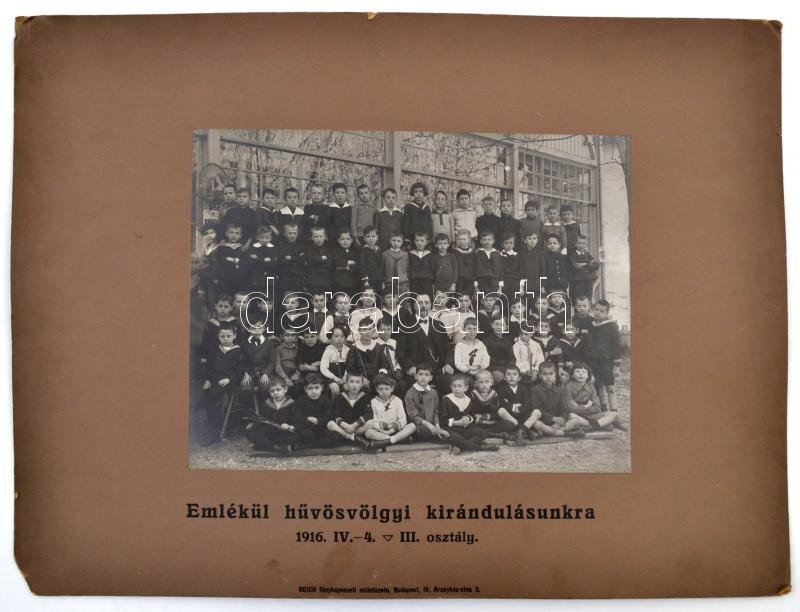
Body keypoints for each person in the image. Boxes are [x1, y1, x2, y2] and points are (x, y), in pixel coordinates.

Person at [199, 325, 245, 445]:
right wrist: (208, 380)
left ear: (234, 336)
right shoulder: (215, 350)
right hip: (215, 381)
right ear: (218, 337)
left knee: (212, 396)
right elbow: (209, 367)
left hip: (229, 382)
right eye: (222, 336)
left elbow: (240, 371)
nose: (225, 338)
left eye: (228, 336)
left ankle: (216, 431)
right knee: (204, 396)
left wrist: (229, 379)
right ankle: (214, 426)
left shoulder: (239, 351)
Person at [561, 361, 627, 431]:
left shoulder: (590, 387)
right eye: (577, 372)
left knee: (614, 414)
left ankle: (591, 427)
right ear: (572, 375)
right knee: (571, 415)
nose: (580, 374)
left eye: (583, 372)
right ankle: (598, 425)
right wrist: (586, 406)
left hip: (592, 416)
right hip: (578, 417)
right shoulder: (568, 387)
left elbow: (597, 408)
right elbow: (571, 409)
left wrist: (579, 407)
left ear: (587, 376)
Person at [441, 374, 499, 452]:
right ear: (451, 387)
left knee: (482, 433)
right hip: (452, 428)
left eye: (459, 386)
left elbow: (472, 415)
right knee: (455, 437)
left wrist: (468, 418)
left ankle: (461, 446)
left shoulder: (468, 399)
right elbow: (443, 420)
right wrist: (455, 422)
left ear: (466, 388)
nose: (457, 389)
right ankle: (481, 448)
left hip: (465, 428)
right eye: (454, 386)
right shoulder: (447, 399)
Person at [243, 378, 303, 454]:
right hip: (270, 432)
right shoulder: (267, 404)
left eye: (278, 389)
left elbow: (299, 422)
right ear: (269, 392)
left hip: (285, 433)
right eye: (272, 391)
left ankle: (266, 445)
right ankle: (277, 448)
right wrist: (254, 424)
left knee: (297, 436)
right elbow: (262, 420)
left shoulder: (292, 404)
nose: (275, 393)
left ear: (285, 389)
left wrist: (289, 426)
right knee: (250, 432)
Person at [526, 361, 585, 437]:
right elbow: (536, 408)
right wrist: (552, 418)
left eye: (551, 374)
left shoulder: (559, 391)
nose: (548, 376)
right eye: (545, 374)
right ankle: (567, 434)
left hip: (556, 422)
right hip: (543, 420)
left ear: (555, 375)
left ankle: (548, 432)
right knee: (536, 424)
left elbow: (565, 410)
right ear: (540, 375)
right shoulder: (535, 390)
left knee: (575, 422)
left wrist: (558, 422)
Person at [583, 299, 622, 412]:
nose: (598, 312)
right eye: (596, 309)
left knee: (610, 387)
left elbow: (617, 346)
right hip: (594, 361)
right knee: (598, 384)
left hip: (607, 361)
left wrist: (616, 366)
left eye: (601, 311)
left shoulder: (612, 326)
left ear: (607, 313)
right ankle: (603, 408)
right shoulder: (591, 325)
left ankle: (614, 411)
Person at [363, 375, 416, 449]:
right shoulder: (373, 401)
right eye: (380, 389)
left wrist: (391, 430)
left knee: (412, 426)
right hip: (381, 431)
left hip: (396, 429)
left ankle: (387, 440)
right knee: (368, 433)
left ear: (392, 389)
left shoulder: (397, 400)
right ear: (376, 389)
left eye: (387, 389)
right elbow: (374, 420)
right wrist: (382, 430)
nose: (384, 392)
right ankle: (398, 439)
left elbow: (402, 419)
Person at [294, 373, 341, 448]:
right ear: (305, 389)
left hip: (321, 428)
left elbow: (329, 417)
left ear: (322, 387)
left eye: (316, 388)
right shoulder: (301, 401)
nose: (314, 391)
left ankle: (310, 446)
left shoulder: (326, 401)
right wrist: (307, 420)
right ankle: (314, 444)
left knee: (336, 435)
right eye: (310, 388)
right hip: (306, 427)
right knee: (305, 434)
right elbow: (298, 417)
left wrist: (318, 421)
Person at [328, 372, 372, 446]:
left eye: (357, 382)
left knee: (371, 423)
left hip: (357, 427)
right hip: (344, 427)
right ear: (346, 384)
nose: (354, 385)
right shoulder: (340, 397)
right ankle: (351, 436)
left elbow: (369, 413)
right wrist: (345, 425)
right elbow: (335, 414)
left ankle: (349, 436)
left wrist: (354, 425)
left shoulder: (365, 397)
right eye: (351, 382)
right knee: (330, 424)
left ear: (361, 385)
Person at [495, 364, 534, 443]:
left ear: (519, 378)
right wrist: (513, 407)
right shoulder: (501, 388)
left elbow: (527, 403)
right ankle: (523, 429)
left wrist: (519, 409)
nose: (511, 377)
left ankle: (521, 431)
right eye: (508, 374)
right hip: (510, 415)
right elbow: (502, 402)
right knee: (501, 410)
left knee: (535, 412)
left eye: (514, 374)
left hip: (522, 414)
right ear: (504, 378)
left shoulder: (523, 388)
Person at [200, 294, 239, 370]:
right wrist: (203, 357)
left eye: (226, 307)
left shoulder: (235, 323)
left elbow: (238, 340)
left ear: (231, 308)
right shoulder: (210, 324)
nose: (223, 309)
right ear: (215, 306)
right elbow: (205, 342)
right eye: (220, 306)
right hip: (212, 356)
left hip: (230, 356)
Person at [216, 223, 251, 296]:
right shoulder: (222, 247)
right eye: (231, 232)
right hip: (225, 279)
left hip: (239, 279)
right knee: (225, 296)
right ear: (226, 234)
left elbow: (246, 262)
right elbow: (219, 262)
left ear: (241, 236)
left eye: (237, 233)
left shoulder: (243, 248)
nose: (234, 235)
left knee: (238, 296)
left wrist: (235, 261)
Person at [195, 222, 222, 311]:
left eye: (212, 233)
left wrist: (203, 272)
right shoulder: (208, 247)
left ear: (217, 233)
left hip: (214, 278)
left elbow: (217, 266)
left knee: (213, 300)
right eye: (207, 233)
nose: (209, 235)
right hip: (205, 277)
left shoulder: (220, 247)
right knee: (204, 299)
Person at [276, 222, 305, 301]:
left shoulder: (301, 245)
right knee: (284, 299)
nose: (292, 235)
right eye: (289, 233)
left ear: (298, 233)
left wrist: (290, 258)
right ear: (284, 233)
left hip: (297, 277)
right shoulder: (280, 245)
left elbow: (303, 260)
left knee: (297, 299)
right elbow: (280, 261)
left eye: (294, 233)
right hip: (284, 276)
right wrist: (296, 259)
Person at [319, 326, 350, 397]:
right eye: (336, 336)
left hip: (345, 377)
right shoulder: (328, 350)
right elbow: (323, 368)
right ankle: (334, 403)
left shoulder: (348, 350)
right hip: (331, 377)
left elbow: (349, 365)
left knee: (348, 388)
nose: (339, 339)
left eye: (342, 336)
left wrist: (346, 376)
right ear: (330, 338)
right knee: (335, 389)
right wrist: (334, 378)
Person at [568, 235, 600, 300]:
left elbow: (596, 265)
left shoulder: (588, 255)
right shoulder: (573, 255)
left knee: (588, 298)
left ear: (586, 245)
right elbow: (576, 266)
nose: (581, 245)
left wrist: (584, 264)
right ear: (575, 244)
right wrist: (589, 265)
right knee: (579, 298)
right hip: (578, 281)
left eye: (583, 243)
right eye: (579, 243)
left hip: (589, 280)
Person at [248, 224, 278, 293]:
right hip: (257, 276)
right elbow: (252, 261)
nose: (264, 240)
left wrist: (258, 259)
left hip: (270, 275)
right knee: (256, 293)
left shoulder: (272, 248)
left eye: (267, 237)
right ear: (257, 237)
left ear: (271, 238)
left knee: (269, 293)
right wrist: (265, 259)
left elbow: (274, 262)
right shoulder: (253, 247)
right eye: (262, 237)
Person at [484, 317, 515, 383]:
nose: (499, 327)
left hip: (507, 367)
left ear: (506, 327)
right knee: (500, 377)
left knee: (514, 375)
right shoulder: (487, 340)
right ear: (492, 325)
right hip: (494, 368)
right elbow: (486, 359)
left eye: (502, 325)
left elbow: (512, 357)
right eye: (496, 324)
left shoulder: (508, 340)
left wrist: (509, 368)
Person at [304, 226, 332, 296]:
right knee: (312, 298)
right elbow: (309, 260)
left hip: (325, 281)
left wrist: (315, 260)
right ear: (312, 237)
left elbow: (329, 263)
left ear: (325, 237)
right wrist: (322, 258)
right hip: (312, 281)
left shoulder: (328, 249)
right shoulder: (309, 249)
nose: (318, 239)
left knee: (326, 299)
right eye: (316, 236)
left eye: (321, 236)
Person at [331, 228, 359, 296]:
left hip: (352, 283)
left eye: (348, 239)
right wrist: (350, 262)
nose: (345, 241)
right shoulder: (336, 251)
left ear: (352, 240)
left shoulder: (355, 251)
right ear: (338, 240)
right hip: (339, 283)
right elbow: (336, 262)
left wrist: (342, 266)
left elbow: (357, 265)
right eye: (342, 239)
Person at [357, 226, 384, 295]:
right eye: (368, 236)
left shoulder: (379, 250)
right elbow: (361, 267)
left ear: (377, 237)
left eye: (373, 236)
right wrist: (365, 281)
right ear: (364, 238)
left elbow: (382, 266)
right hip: (369, 280)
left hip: (379, 279)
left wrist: (382, 280)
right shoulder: (362, 251)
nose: (371, 238)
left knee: (378, 297)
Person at [408, 231, 434, 297]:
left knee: (427, 297)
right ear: (414, 241)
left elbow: (433, 268)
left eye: (422, 241)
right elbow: (408, 268)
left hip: (427, 281)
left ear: (426, 242)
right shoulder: (410, 254)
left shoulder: (429, 254)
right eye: (417, 240)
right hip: (414, 281)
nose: (419, 243)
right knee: (415, 298)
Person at [500, 234, 523, 302]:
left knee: (514, 301)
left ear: (514, 244)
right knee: (504, 301)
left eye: (511, 243)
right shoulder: (499, 255)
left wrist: (521, 286)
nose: (509, 245)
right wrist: (500, 286)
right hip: (504, 282)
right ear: (502, 244)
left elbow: (521, 271)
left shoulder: (517, 255)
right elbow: (499, 271)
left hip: (515, 282)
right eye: (506, 243)